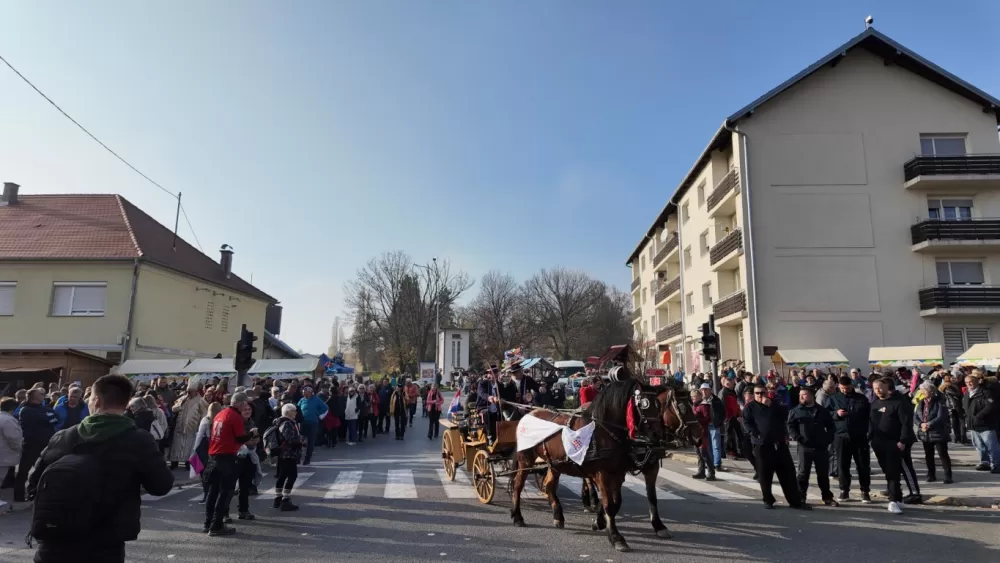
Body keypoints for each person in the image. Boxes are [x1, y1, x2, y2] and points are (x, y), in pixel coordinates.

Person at [26, 374, 174, 562]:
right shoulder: (139, 440)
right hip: (104, 543)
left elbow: (32, 483)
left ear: (96, 400)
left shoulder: (63, 437)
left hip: (55, 538)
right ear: (126, 402)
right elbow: (161, 486)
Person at [743, 384, 806, 510]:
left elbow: (784, 414)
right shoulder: (750, 407)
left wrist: (770, 405)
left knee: (788, 473)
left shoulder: (775, 405)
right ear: (754, 394)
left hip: (779, 443)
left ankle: (795, 501)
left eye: (762, 393)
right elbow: (747, 423)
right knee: (765, 474)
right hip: (762, 445)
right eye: (757, 393)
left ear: (767, 393)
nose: (760, 395)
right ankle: (768, 499)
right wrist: (756, 434)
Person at [203, 393, 255, 536]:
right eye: (245, 403)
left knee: (213, 492)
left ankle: (208, 522)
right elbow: (239, 438)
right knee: (225, 492)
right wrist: (251, 434)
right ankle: (216, 525)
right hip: (226, 457)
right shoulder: (235, 416)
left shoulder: (221, 413)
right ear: (240, 403)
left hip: (213, 455)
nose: (247, 406)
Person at [786, 387, 837, 506]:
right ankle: (801, 497)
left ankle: (827, 497)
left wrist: (827, 439)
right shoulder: (795, 411)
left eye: (804, 395)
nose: (801, 397)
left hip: (821, 447)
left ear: (811, 396)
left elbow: (831, 427)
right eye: (800, 395)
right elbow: (790, 426)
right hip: (804, 447)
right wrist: (797, 438)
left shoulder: (822, 411)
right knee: (803, 474)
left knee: (823, 474)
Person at [869, 377, 913, 515]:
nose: (878, 391)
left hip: (894, 442)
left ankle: (893, 500)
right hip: (878, 442)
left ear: (887, 388)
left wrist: (903, 440)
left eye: (880, 388)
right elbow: (871, 423)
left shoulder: (898, 403)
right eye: (875, 388)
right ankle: (898, 497)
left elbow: (906, 423)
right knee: (887, 471)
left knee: (893, 472)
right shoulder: (874, 404)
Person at [829, 375, 872, 503]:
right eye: (842, 388)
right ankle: (844, 491)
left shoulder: (861, 399)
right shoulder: (834, 398)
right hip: (841, 436)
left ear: (852, 386)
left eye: (847, 388)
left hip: (859, 436)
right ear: (838, 387)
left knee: (863, 465)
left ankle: (865, 491)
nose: (845, 390)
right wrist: (836, 414)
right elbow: (827, 413)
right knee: (842, 465)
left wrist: (868, 432)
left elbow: (869, 416)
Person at [15, 388, 57, 503]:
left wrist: (48, 417)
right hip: (31, 444)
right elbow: (45, 418)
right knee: (23, 471)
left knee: (42, 471)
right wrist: (47, 417)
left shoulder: (45, 408)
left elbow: (54, 419)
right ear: (33, 396)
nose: (44, 395)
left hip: (46, 444)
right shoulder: (25, 409)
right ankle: (18, 497)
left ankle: (34, 494)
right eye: (41, 394)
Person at [914, 381, 952, 484]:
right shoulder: (921, 402)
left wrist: (929, 424)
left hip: (938, 432)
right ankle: (931, 474)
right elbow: (916, 416)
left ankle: (948, 475)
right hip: (925, 432)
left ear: (931, 390)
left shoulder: (939, 401)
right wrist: (921, 424)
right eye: (922, 390)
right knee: (928, 455)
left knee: (942, 454)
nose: (922, 392)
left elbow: (941, 416)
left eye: (924, 390)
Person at [269, 403, 303, 511]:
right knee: (292, 476)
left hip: (283, 453)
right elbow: (289, 439)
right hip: (288, 454)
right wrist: (301, 442)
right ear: (288, 412)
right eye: (294, 411)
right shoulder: (287, 423)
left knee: (282, 476)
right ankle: (285, 500)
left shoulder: (281, 421)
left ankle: (278, 498)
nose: (296, 413)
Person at [964, 373, 1000, 472]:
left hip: (986, 424)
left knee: (992, 446)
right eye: (967, 382)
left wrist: (979, 416)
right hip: (973, 424)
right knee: (979, 446)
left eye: (971, 382)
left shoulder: (986, 392)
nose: (969, 384)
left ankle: (997, 464)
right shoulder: (967, 393)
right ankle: (985, 462)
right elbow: (966, 408)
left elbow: (990, 406)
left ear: (976, 381)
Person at [169, 385, 208, 470]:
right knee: (177, 445)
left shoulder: (201, 400)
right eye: (188, 391)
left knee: (191, 446)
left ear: (196, 391)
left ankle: (189, 464)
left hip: (193, 427)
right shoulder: (183, 398)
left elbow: (204, 414)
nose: (189, 393)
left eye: (191, 391)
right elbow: (173, 409)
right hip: (180, 426)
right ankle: (174, 462)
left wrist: (201, 426)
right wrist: (180, 403)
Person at [192, 403, 224, 504]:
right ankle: (216, 495)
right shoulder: (222, 420)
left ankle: (206, 495)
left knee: (204, 473)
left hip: (205, 447)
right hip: (218, 446)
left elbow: (199, 435)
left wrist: (194, 449)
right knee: (216, 473)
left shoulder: (206, 419)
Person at [0, 397, 22, 512]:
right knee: (2, 481)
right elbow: (14, 439)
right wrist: (19, 448)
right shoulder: (8, 420)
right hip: (4, 456)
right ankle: (3, 507)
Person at [297, 385, 328, 465]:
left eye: (305, 392)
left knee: (310, 442)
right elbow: (296, 408)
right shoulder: (302, 400)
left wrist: (320, 415)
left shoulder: (316, 399)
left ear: (310, 392)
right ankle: (297, 458)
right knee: (299, 441)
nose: (304, 394)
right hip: (302, 423)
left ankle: (307, 459)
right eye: (303, 392)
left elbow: (325, 408)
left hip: (313, 423)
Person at [691, 389, 716, 481]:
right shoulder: (693, 406)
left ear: (699, 396)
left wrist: (696, 420)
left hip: (702, 432)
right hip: (695, 433)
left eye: (695, 396)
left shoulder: (704, 406)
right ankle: (701, 471)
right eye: (692, 397)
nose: (693, 398)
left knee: (704, 453)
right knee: (698, 453)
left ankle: (711, 472)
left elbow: (707, 419)